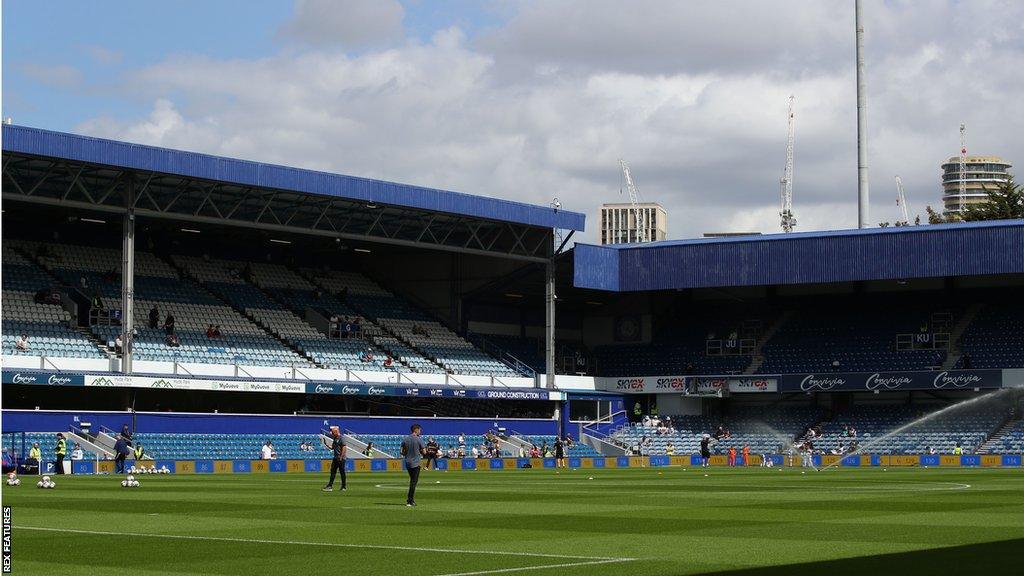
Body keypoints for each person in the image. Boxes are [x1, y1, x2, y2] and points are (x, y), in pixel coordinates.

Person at [400, 424, 426, 506]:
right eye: (419, 430)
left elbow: (401, 452)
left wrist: (408, 453)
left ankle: (410, 500)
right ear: (416, 430)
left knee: (412, 481)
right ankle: (410, 500)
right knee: (413, 482)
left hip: (408, 462)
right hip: (416, 463)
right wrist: (419, 452)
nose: (420, 431)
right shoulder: (419, 439)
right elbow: (424, 452)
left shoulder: (405, 439)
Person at [321, 427, 347, 492]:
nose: (332, 434)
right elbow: (332, 448)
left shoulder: (342, 438)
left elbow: (344, 448)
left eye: (333, 432)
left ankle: (343, 487)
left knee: (342, 473)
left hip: (341, 458)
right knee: (333, 472)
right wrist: (326, 444)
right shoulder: (335, 438)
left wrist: (341, 457)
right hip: (335, 458)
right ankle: (330, 486)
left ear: (336, 432)